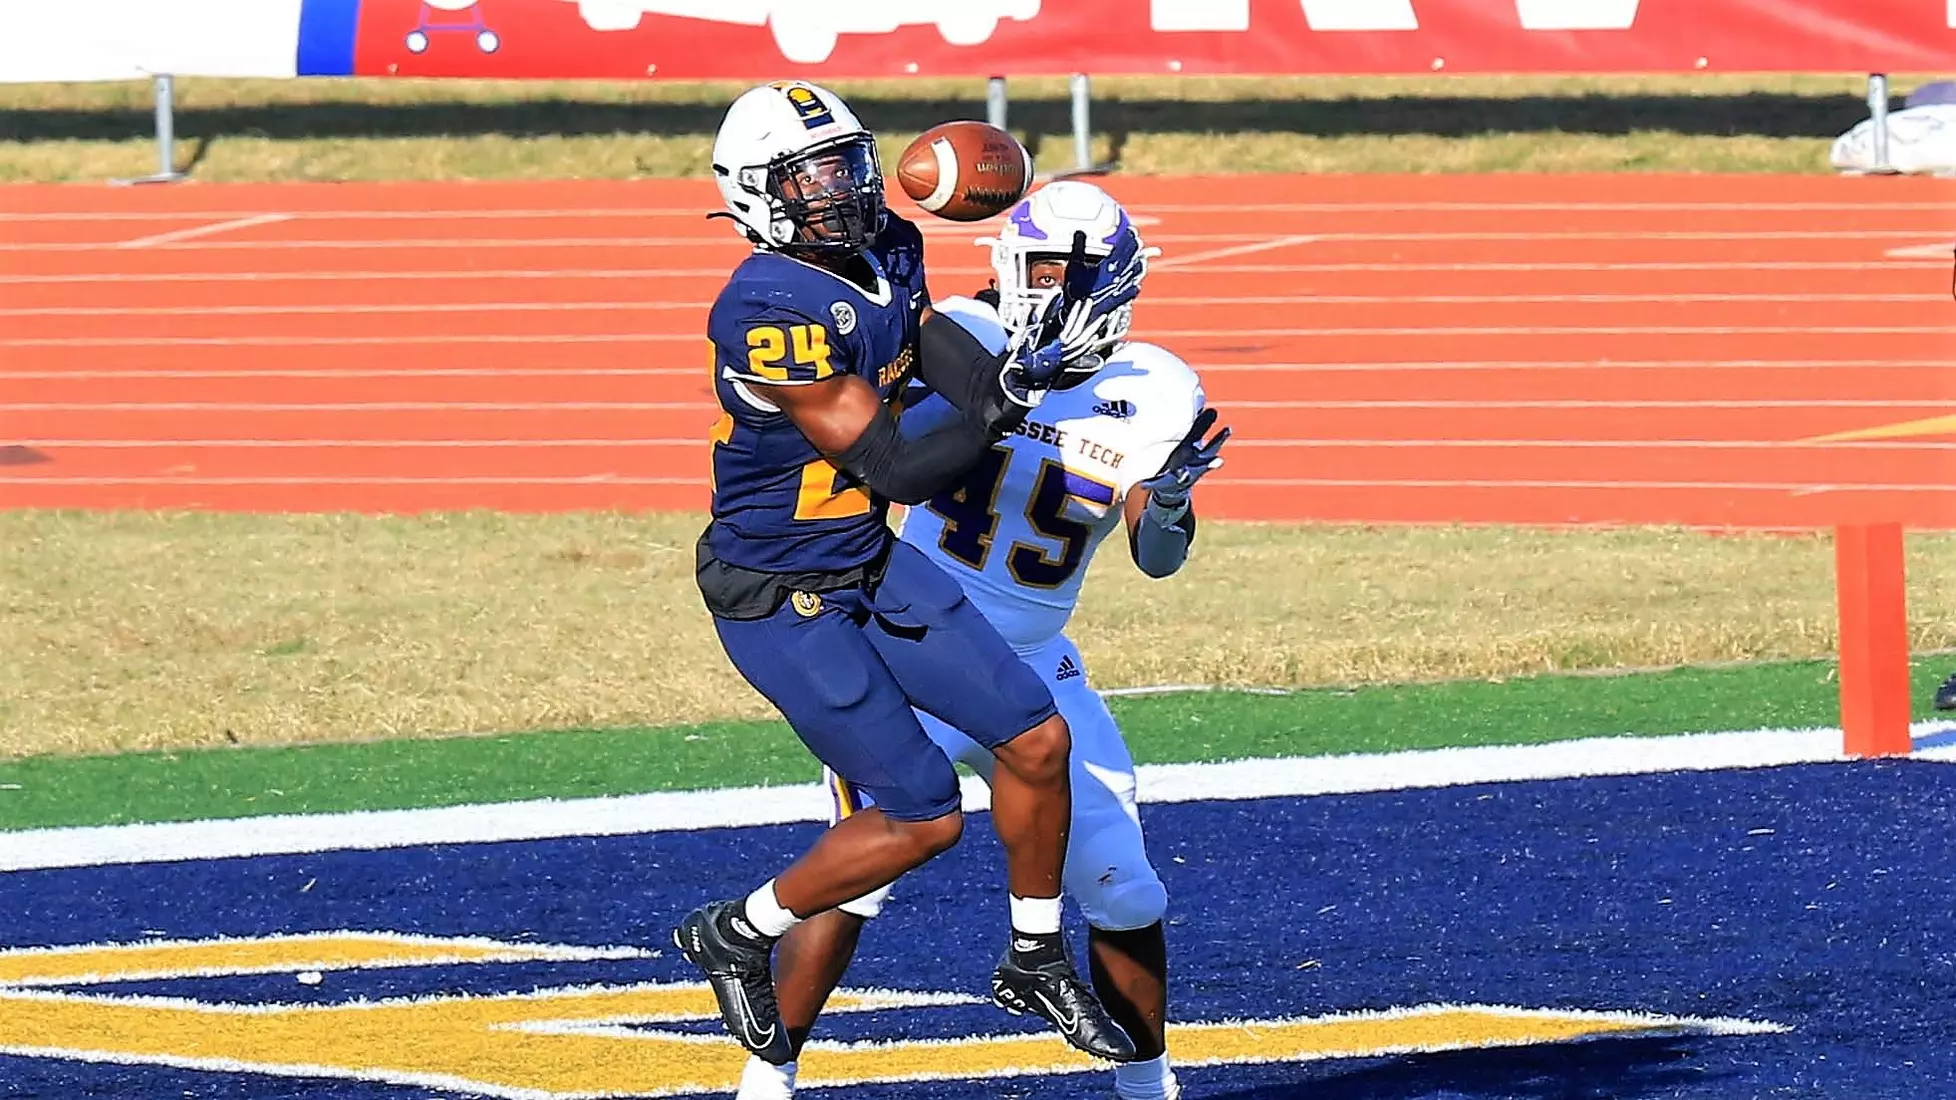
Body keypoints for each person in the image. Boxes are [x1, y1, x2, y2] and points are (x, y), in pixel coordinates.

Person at [674, 81, 1146, 1069]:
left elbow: (931, 338)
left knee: (1037, 737)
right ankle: (738, 929)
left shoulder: (885, 240)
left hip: (868, 561)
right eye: (807, 176)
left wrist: (1009, 379)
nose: (838, 189)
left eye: (845, 161)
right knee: (926, 812)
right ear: (753, 193)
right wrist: (999, 404)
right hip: (782, 594)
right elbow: (889, 462)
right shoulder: (765, 305)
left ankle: (1032, 952)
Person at [734, 180, 1230, 1100]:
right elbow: (873, 447)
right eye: (1036, 268)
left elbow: (1156, 558)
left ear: (1118, 286)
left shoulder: (1156, 387)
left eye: (1069, 274)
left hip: (1036, 657)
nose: (1047, 289)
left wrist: (1168, 499)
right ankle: (765, 1083)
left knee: (1126, 885)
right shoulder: (961, 334)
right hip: (913, 636)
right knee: (860, 868)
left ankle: (1148, 1087)